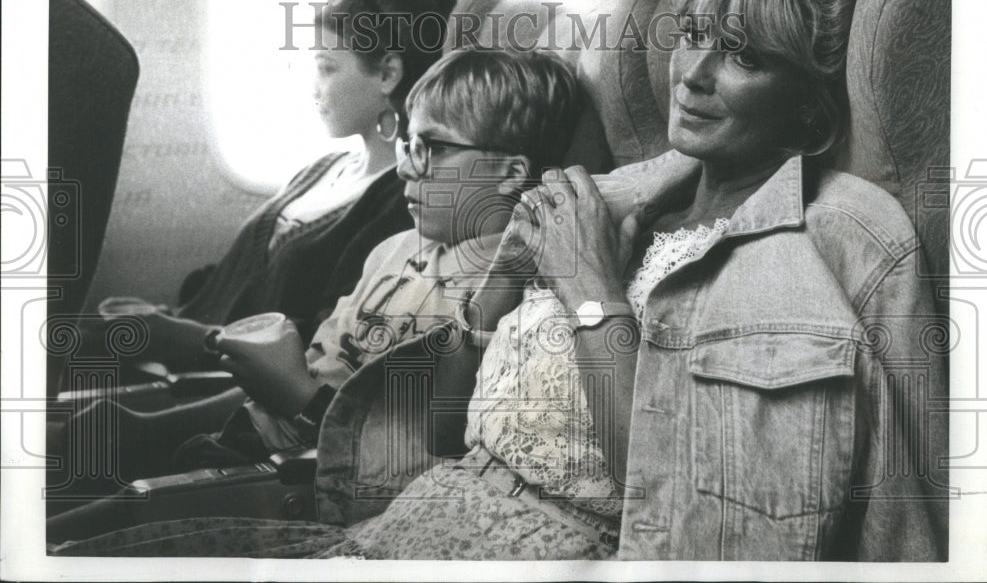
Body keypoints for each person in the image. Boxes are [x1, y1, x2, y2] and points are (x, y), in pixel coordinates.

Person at [56, 0, 948, 561]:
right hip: (396, 520)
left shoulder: (809, 257)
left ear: (813, 114)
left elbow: (705, 536)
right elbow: (442, 430)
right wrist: (491, 307)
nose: (694, 72)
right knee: (70, 535)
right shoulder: (624, 197)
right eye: (694, 32)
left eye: (746, 54)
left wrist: (595, 297)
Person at [49, 46, 585, 548]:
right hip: (251, 437)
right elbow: (325, 359)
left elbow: (414, 456)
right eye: (408, 144)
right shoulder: (394, 250)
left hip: (311, 482)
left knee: (81, 537)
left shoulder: (506, 298)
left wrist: (295, 399)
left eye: (436, 148)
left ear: (511, 172)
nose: (405, 166)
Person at [49, 0, 458, 492]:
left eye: (327, 69)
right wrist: (165, 319)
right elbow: (247, 269)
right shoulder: (327, 167)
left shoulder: (398, 204)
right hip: (196, 345)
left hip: (231, 382)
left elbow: (324, 333)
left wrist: (192, 337)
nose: (313, 86)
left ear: (388, 74)